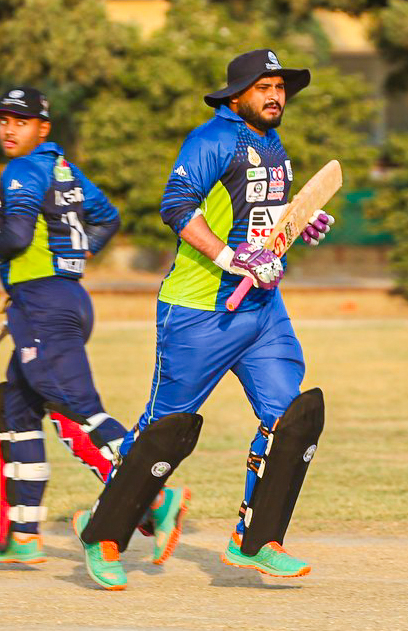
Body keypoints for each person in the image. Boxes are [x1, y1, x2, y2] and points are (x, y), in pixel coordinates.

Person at [73, 49, 334, 590]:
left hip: (263, 311)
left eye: (280, 87)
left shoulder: (273, 145)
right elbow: (176, 207)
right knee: (164, 432)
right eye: (263, 87)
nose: (275, 96)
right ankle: (104, 533)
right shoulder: (212, 139)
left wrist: (297, 224)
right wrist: (232, 259)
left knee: (292, 417)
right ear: (236, 95)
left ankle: (256, 541)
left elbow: (260, 221)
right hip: (199, 312)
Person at [0, 86, 188, 566]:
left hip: (43, 304)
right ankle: (22, 535)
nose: (8, 129)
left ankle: (153, 497)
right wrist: (69, 261)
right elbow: (107, 219)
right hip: (63, 300)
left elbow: (16, 236)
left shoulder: (22, 169)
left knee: (80, 408)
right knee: (17, 411)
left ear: (42, 128)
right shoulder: (64, 169)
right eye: (3, 120)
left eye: (20, 121)